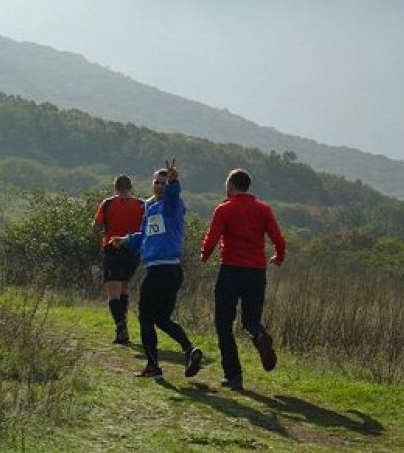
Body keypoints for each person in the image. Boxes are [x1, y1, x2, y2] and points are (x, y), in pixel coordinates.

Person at [113, 160, 202, 379]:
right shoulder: (150, 208)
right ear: (152, 184)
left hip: (161, 270)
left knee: (145, 317)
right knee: (161, 319)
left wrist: (173, 182)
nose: (160, 186)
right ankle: (190, 350)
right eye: (157, 182)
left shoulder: (172, 205)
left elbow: (172, 196)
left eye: (164, 183)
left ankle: (153, 367)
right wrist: (125, 240)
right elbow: (144, 235)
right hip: (168, 271)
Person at [201, 168, 286, 391]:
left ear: (230, 185)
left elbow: (212, 237)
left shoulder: (224, 209)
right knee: (251, 321)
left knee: (223, 323)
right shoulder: (264, 209)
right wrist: (279, 257)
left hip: (231, 270)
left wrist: (205, 254)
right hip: (256, 272)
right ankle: (259, 335)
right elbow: (279, 239)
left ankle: (234, 375)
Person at [92, 175, 145, 344]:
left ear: (115, 187)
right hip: (133, 250)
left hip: (113, 248)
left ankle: (121, 327)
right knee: (124, 288)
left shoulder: (108, 203)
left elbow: (96, 227)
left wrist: (103, 233)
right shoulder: (141, 204)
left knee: (113, 292)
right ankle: (123, 325)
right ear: (131, 186)